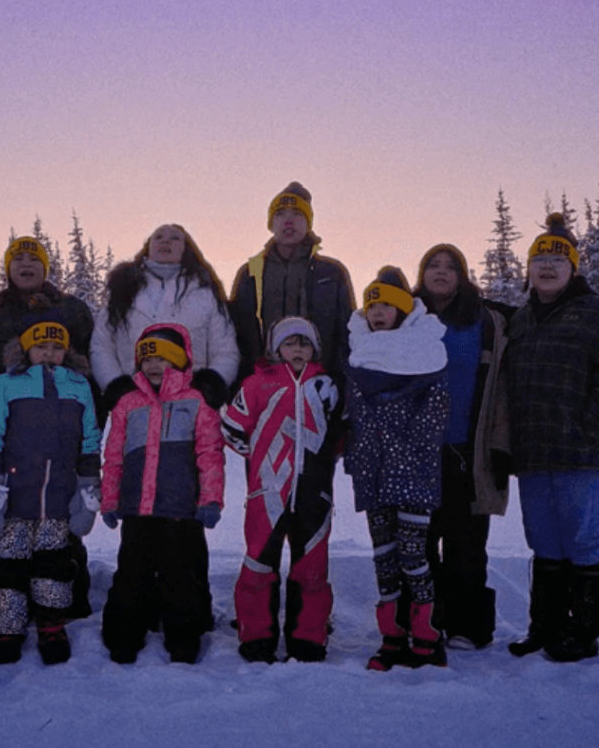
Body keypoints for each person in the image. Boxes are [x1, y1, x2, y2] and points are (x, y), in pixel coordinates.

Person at [502, 213, 599, 663]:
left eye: (557, 260)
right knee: (543, 542)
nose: (547, 267)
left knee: (581, 540)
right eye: (539, 259)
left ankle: (583, 631)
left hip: (583, 454)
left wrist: (590, 432)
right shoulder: (521, 320)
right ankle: (546, 626)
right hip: (533, 452)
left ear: (573, 268)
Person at [0, 234, 99, 617]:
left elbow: (88, 370)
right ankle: (11, 605)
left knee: (62, 525)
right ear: (7, 268)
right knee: (13, 525)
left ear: (46, 267)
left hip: (62, 434)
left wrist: (85, 435)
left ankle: (62, 603)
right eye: (18, 259)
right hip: (11, 434)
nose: (26, 264)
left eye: (34, 259)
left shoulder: (73, 310)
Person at [0, 313, 101, 665]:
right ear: (26, 349)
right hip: (15, 495)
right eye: (41, 346)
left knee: (54, 565)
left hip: (58, 495)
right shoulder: (5, 384)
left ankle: (51, 624)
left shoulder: (79, 386)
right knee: (8, 565)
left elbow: (90, 435)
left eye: (57, 347)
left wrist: (89, 480)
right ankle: (5, 626)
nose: (48, 353)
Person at [98, 322, 225, 664]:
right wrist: (110, 500)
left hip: (180, 510)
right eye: (147, 359)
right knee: (131, 575)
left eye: (163, 358)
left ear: (180, 361)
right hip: (137, 510)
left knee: (180, 577)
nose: (154, 365)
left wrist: (211, 499)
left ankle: (184, 638)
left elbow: (210, 455)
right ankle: (124, 636)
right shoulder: (127, 403)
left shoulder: (195, 401)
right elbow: (114, 456)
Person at [344, 267, 451, 670]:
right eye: (372, 305)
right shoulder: (359, 354)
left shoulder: (426, 353)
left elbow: (434, 415)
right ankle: (391, 636)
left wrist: (403, 447)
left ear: (403, 310)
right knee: (384, 557)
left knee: (413, 556)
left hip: (413, 474)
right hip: (373, 473)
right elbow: (355, 415)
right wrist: (361, 454)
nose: (378, 312)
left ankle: (426, 635)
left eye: (387, 305)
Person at [219, 316, 343, 663]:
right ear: (276, 350)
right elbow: (230, 428)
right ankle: (257, 637)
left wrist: (324, 462)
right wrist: (258, 455)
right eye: (290, 343)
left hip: (314, 493)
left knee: (312, 568)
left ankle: (308, 638)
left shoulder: (327, 387)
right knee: (259, 564)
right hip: (268, 492)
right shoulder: (257, 384)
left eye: (305, 343)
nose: (297, 350)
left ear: (315, 349)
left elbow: (341, 433)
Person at [413, 244, 513, 650]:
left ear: (462, 275)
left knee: (467, 543)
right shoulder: (407, 318)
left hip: (468, 451)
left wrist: (501, 445)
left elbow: (502, 387)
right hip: (418, 453)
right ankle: (426, 621)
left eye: (450, 266)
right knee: (420, 543)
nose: (440, 272)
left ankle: (467, 627)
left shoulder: (484, 321)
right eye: (432, 265)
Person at [91, 223, 239, 411]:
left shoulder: (206, 294)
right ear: (148, 247)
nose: (165, 241)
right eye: (158, 237)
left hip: (193, 406)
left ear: (186, 249)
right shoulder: (122, 291)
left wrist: (211, 385)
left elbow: (225, 349)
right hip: (133, 405)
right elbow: (102, 345)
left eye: (175, 238)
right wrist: (115, 385)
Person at [228, 182, 356, 381]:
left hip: (321, 383)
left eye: (297, 214)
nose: (288, 221)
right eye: (280, 214)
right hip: (264, 385)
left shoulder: (332, 273)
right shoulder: (250, 274)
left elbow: (347, 334)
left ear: (308, 223)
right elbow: (237, 334)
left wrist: (341, 383)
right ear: (271, 224)